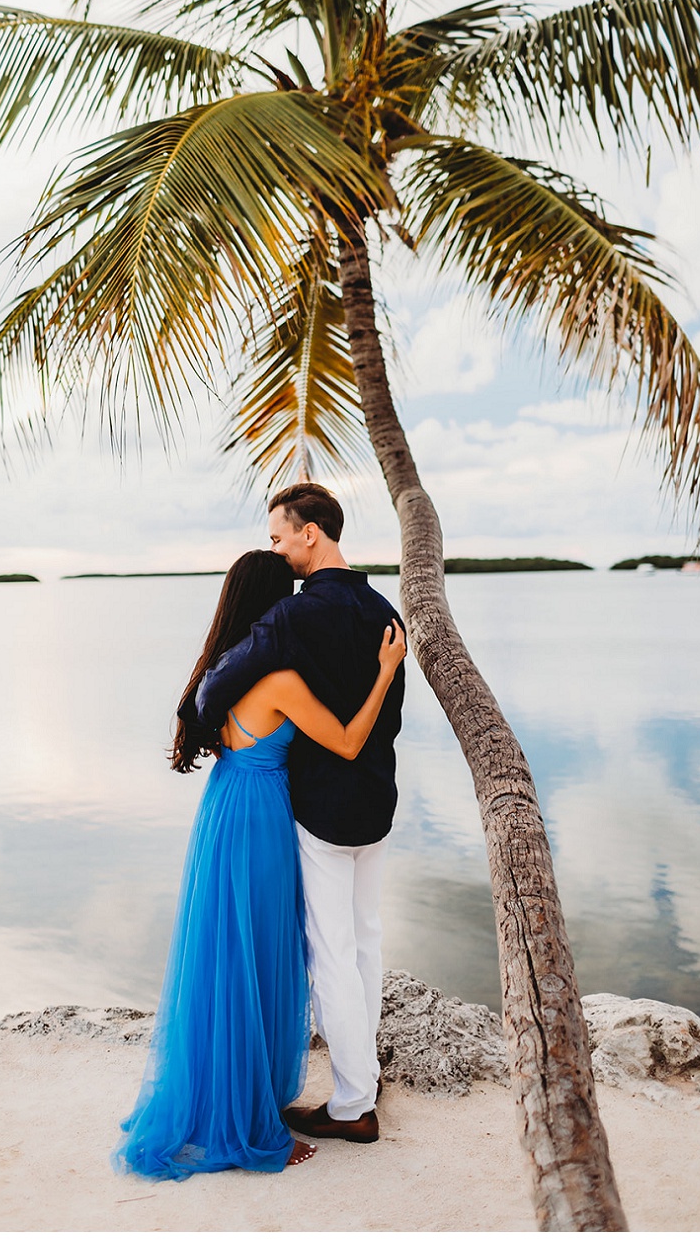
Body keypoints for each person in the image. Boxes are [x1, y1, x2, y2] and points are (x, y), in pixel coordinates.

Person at [117, 550, 404, 1180]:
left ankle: (229, 1096)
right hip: (265, 819)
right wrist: (384, 672)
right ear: (277, 603)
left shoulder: (219, 671)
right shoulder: (281, 682)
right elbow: (351, 741)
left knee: (222, 954)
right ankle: (249, 1119)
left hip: (223, 809)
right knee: (262, 956)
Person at [184, 482, 406, 1145]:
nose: (279, 548)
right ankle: (361, 1079)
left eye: (281, 535)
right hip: (377, 804)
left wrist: (203, 720)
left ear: (311, 531)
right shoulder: (382, 609)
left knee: (332, 951)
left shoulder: (292, 617)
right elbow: (387, 720)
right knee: (365, 940)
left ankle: (352, 1102)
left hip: (318, 810)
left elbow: (215, 689)